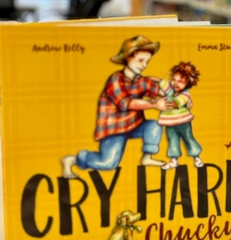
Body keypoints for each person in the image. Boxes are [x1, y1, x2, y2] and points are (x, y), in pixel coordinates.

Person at [61, 35, 172, 179]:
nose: (144, 65)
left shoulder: (141, 81)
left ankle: (147, 157)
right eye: (141, 60)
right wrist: (155, 104)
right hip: (114, 128)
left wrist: (168, 89)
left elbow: (158, 90)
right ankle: (74, 159)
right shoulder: (115, 79)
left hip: (134, 125)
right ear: (128, 58)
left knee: (154, 125)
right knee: (108, 163)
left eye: (147, 61)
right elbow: (126, 103)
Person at [158, 61, 205, 169]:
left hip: (183, 123)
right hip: (169, 124)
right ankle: (174, 160)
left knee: (188, 138)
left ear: (187, 83)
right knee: (172, 140)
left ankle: (196, 157)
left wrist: (160, 102)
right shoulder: (170, 90)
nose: (175, 83)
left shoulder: (185, 94)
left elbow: (175, 104)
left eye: (180, 81)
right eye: (173, 79)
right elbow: (161, 82)